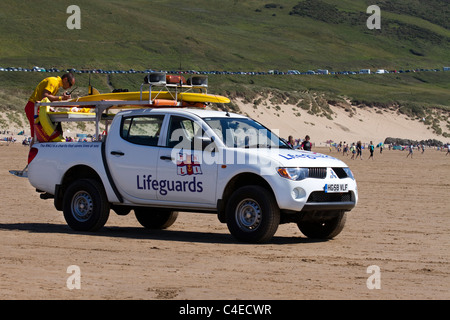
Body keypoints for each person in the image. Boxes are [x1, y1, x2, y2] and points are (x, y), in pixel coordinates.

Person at [25, 73, 75, 140]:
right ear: (65, 79)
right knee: (38, 135)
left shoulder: (56, 84)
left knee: (38, 136)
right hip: (34, 106)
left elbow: (47, 99)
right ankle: (34, 150)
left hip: (36, 106)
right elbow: (45, 96)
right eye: (70, 84)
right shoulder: (54, 81)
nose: (70, 87)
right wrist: (61, 98)